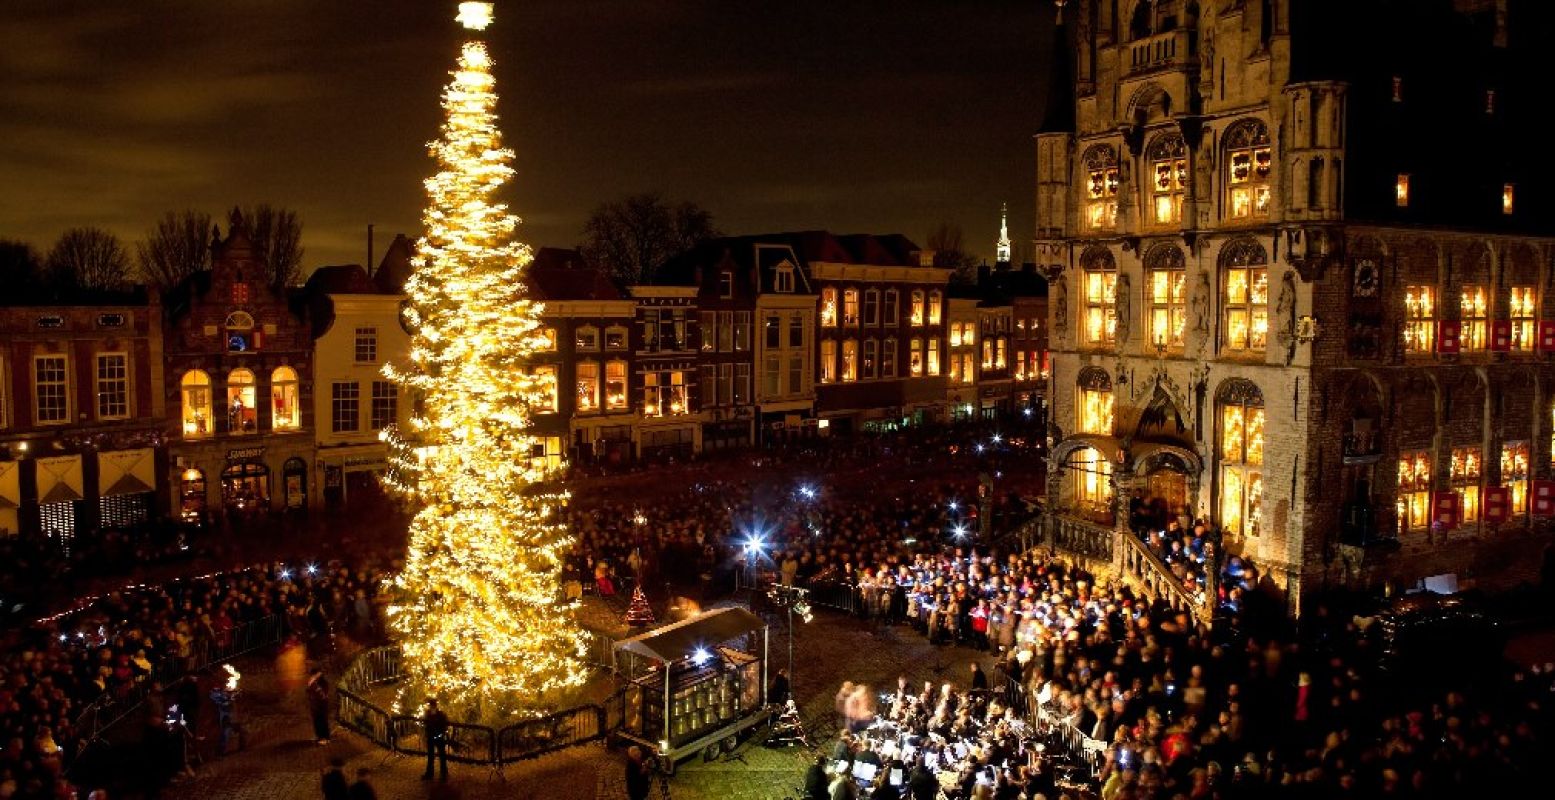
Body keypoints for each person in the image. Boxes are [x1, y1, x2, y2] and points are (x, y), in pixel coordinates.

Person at [422, 699, 449, 781]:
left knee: (441, 756)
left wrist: (441, 733)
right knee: (431, 756)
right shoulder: (428, 714)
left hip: (438, 737)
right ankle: (430, 773)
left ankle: (443, 774)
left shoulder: (440, 714)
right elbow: (426, 724)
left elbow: (444, 725)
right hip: (432, 737)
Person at [306, 668, 332, 744]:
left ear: (319, 674)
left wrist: (313, 684)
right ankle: (319, 736)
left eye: (314, 674)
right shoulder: (313, 682)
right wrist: (310, 684)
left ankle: (326, 738)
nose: (313, 676)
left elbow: (322, 694)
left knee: (323, 721)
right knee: (316, 721)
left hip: (322, 705)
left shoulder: (323, 682)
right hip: (315, 705)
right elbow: (309, 692)